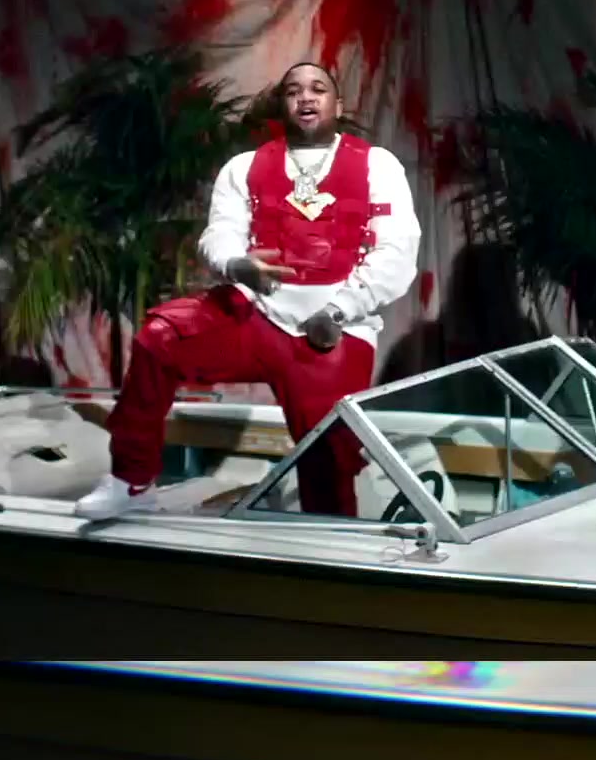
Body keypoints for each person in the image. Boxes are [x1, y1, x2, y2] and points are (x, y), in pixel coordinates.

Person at [75, 61, 422, 520]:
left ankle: (331, 542)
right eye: (293, 90)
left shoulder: (377, 165)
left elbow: (397, 252)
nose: (305, 97)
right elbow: (219, 234)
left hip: (332, 328)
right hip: (257, 314)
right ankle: (131, 480)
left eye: (317, 89)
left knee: (328, 458)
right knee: (160, 338)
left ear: (338, 105)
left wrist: (340, 310)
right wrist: (237, 264)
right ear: (282, 105)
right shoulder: (243, 167)